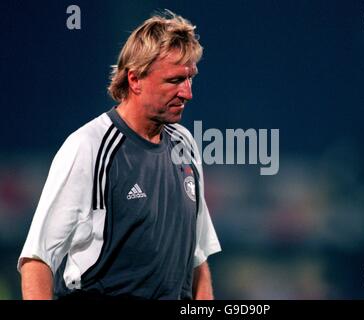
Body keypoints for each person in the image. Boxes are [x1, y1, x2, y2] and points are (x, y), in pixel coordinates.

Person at [18, 10, 221, 300]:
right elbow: (37, 259)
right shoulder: (88, 146)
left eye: (190, 79)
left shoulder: (185, 145)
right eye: (174, 80)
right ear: (135, 79)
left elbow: (197, 259)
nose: (187, 93)